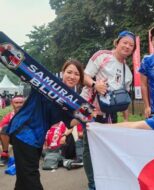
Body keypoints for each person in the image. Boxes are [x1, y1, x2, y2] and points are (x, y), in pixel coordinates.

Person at [7, 59, 83, 190]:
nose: (72, 76)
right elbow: (27, 71)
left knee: (23, 179)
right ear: (62, 73)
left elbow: (70, 122)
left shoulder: (71, 100)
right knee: (31, 177)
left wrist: (84, 117)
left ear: (80, 77)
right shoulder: (47, 82)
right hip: (23, 132)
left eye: (76, 74)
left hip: (37, 138)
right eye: (69, 72)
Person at [81, 30, 136, 190]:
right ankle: (93, 184)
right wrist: (94, 85)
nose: (127, 46)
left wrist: (126, 121)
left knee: (106, 148)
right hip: (90, 110)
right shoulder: (102, 56)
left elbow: (124, 99)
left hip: (111, 114)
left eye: (131, 45)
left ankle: (105, 180)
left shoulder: (128, 72)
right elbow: (83, 76)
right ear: (117, 42)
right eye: (124, 42)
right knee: (89, 148)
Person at [0, 95, 25, 166]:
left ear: (25, 104)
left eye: (21, 102)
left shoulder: (29, 114)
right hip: (13, 137)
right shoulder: (9, 115)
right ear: (12, 104)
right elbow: (1, 127)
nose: (19, 105)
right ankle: (5, 155)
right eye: (16, 103)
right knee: (4, 128)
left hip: (27, 138)